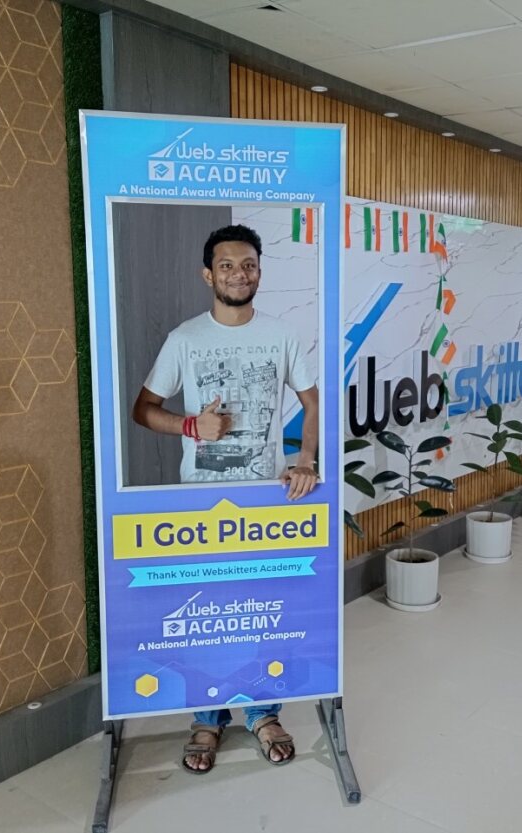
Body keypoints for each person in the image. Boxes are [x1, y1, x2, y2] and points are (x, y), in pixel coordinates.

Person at [132, 223, 319, 773]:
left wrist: (305, 460)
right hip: (201, 505)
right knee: (204, 614)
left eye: (249, 265)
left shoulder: (281, 334)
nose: (240, 274)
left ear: (260, 272)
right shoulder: (185, 339)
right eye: (228, 265)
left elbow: (312, 402)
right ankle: (207, 718)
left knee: (262, 611)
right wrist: (191, 425)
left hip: (265, 505)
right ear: (207, 274)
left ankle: (263, 713)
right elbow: (143, 409)